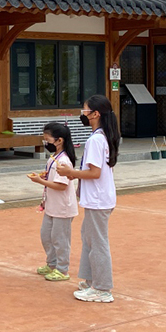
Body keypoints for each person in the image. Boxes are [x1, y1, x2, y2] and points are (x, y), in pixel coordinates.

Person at [57, 95, 120, 303]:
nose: (82, 114)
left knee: (98, 242)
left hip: (98, 199)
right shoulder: (103, 136)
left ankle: (102, 288)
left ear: (95, 114)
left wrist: (71, 172)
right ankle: (90, 280)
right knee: (89, 237)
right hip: (99, 197)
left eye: (85, 110)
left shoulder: (96, 140)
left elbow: (94, 172)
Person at [27, 122, 78, 282]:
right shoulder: (54, 157)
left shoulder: (63, 161)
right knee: (47, 236)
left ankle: (62, 269)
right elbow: (54, 179)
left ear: (59, 140)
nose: (46, 142)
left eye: (47, 139)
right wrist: (44, 177)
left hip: (62, 207)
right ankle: (52, 263)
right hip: (51, 205)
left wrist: (40, 181)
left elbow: (61, 185)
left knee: (60, 239)